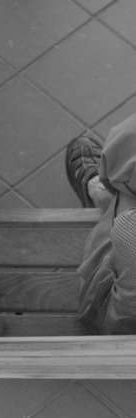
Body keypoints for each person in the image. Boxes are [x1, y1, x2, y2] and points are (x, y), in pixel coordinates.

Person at [66, 114, 136, 334]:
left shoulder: (130, 227)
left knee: (124, 196)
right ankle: (104, 193)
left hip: (119, 337)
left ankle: (98, 190)